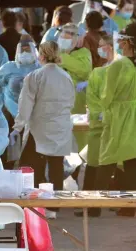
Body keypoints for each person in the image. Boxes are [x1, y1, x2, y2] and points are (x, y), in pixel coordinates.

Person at [12, 41, 75, 219]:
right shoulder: (66, 76)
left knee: (32, 166)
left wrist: (17, 127)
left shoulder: (34, 76)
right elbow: (70, 102)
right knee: (56, 167)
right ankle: (54, 208)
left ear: (41, 55)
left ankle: (36, 205)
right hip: (61, 127)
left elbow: (25, 105)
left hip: (39, 128)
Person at [93, 23, 136, 217]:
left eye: (120, 40)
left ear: (127, 42)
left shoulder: (118, 65)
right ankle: (129, 207)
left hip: (119, 116)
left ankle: (94, 206)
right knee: (132, 161)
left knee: (106, 160)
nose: (117, 43)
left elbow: (106, 96)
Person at [77, 33, 114, 217]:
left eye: (103, 46)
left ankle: (94, 206)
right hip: (97, 122)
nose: (100, 49)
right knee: (94, 164)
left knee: (100, 165)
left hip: (106, 123)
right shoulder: (104, 68)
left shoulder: (117, 69)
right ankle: (89, 205)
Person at [0, 34, 40, 169]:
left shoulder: (40, 68)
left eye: (28, 50)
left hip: (33, 116)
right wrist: (0, 100)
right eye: (22, 50)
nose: (25, 53)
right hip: (10, 113)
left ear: (34, 50)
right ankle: (6, 177)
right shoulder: (9, 68)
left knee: (29, 153)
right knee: (7, 150)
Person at [58, 23, 92, 151]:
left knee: (78, 145)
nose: (66, 39)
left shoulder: (84, 53)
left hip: (77, 105)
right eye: (64, 36)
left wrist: (63, 58)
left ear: (77, 38)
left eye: (71, 36)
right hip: (57, 105)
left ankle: (77, 170)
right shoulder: (53, 52)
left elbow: (84, 70)